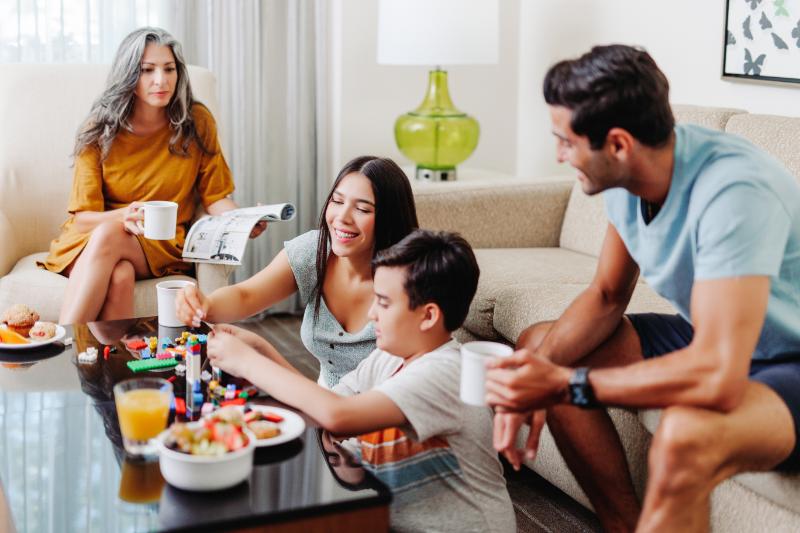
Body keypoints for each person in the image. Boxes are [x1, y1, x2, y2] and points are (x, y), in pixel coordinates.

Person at [485, 44, 800, 532]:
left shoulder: (734, 193)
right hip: (719, 334)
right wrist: (537, 376)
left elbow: (718, 371)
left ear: (617, 144)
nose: (559, 155)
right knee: (542, 349)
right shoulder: (630, 177)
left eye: (567, 142)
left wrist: (567, 384)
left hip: (789, 359)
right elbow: (608, 294)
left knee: (683, 435)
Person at [207, 230, 515, 533]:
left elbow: (340, 418)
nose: (371, 314)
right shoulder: (392, 356)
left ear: (428, 316)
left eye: (383, 302)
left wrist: (247, 362)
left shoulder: (445, 373)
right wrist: (261, 349)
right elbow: (322, 408)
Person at [40, 27, 265, 325]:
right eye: (147, 70)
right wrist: (125, 216)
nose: (161, 80)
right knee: (120, 274)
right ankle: (113, 365)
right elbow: (83, 219)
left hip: (161, 243)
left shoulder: (197, 122)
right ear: (129, 76)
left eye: (169, 69)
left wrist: (244, 220)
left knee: (113, 243)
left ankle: (63, 342)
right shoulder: (99, 129)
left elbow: (216, 197)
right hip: (93, 239)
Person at [175, 155, 418, 387]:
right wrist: (205, 304)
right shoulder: (314, 251)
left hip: (383, 416)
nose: (341, 218)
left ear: (389, 219)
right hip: (324, 403)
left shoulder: (411, 282)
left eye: (363, 209)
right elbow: (246, 295)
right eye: (337, 201)